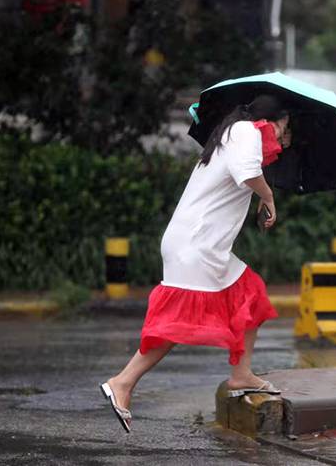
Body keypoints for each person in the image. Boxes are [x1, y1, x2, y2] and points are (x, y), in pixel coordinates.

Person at [100, 95, 292, 433]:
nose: (282, 136)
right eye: (283, 128)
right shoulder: (245, 132)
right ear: (271, 120)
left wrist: (263, 187)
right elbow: (247, 173)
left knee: (251, 294)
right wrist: (268, 195)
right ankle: (123, 382)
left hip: (203, 246)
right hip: (195, 246)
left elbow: (242, 175)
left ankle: (241, 374)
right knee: (175, 325)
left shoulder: (236, 135)